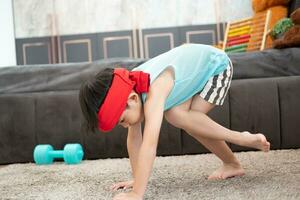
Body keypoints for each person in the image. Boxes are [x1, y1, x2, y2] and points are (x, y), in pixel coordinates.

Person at [79, 44, 270, 200]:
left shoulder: (153, 91)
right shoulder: (130, 90)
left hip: (215, 67)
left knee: (179, 116)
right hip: (190, 70)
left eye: (122, 120)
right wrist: (137, 180)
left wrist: (137, 194)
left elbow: (149, 144)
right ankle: (232, 164)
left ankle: (241, 140)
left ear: (133, 100)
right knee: (180, 116)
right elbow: (134, 140)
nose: (125, 125)